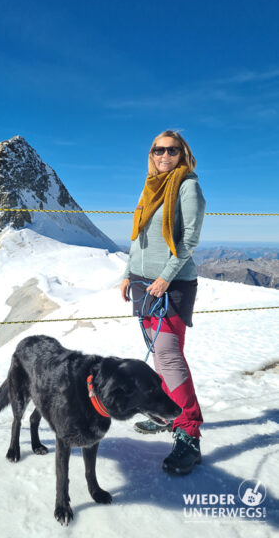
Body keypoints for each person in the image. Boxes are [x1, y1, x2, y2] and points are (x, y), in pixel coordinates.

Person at [120, 129, 206, 475]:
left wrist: (165, 277)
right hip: (143, 283)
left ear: (182, 153)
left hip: (170, 284)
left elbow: (189, 239)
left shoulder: (188, 186)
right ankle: (168, 413)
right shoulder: (150, 186)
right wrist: (128, 271)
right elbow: (137, 234)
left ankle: (189, 433)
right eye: (158, 150)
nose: (164, 155)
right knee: (159, 353)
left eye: (172, 150)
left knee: (168, 355)